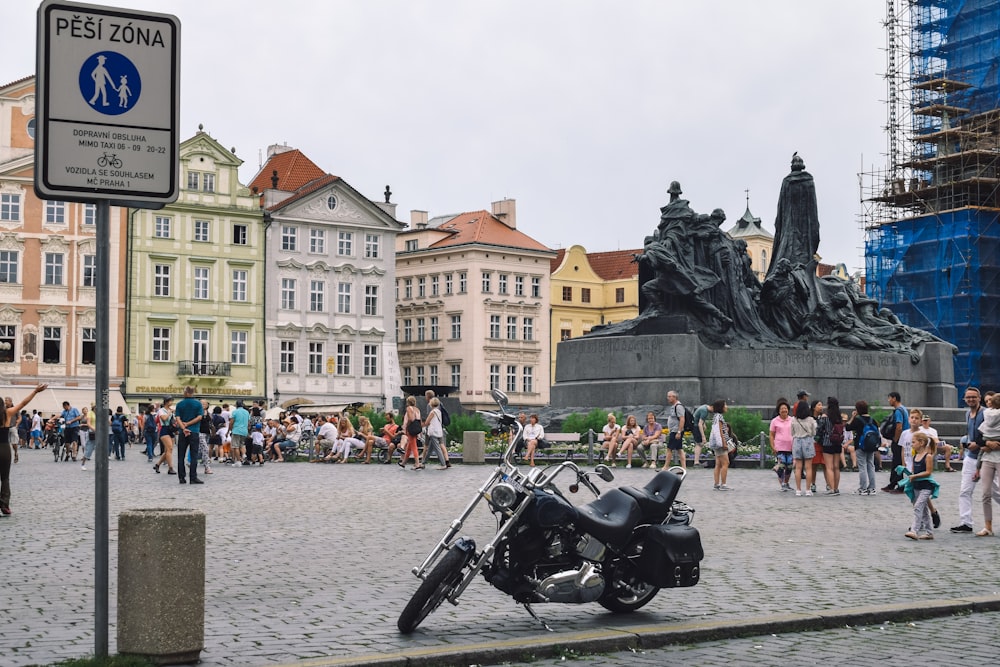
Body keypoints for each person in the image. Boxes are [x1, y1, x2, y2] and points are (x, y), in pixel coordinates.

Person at [1, 384, 46, 516]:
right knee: (5, 478)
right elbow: (23, 403)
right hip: (4, 448)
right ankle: (4, 505)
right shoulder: (7, 413)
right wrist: (35, 391)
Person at [951, 387, 991, 533]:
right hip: (971, 457)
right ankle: (966, 522)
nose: (971, 400)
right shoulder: (968, 413)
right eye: (968, 397)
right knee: (965, 491)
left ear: (979, 398)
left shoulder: (986, 413)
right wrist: (967, 442)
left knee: (995, 491)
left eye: (973, 397)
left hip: (987, 458)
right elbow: (971, 433)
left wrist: (979, 444)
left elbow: (991, 433)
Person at [904, 432, 937, 540]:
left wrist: (916, 476)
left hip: (926, 487)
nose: (912, 444)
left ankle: (914, 530)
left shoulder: (928, 457)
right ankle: (929, 532)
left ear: (921, 443)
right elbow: (913, 471)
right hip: (917, 486)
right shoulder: (915, 456)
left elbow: (928, 472)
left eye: (913, 442)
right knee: (924, 510)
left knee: (918, 507)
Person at [173, 387, 204, 484]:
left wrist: (183, 427)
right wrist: (189, 424)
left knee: (181, 456)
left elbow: (177, 418)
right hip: (194, 431)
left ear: (185, 392)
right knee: (194, 455)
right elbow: (199, 417)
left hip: (183, 433)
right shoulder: (198, 404)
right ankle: (193, 477)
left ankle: (181, 478)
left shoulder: (180, 404)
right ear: (193, 392)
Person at [848, 400, 878, 495]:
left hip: (860, 446)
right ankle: (872, 488)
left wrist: (853, 416)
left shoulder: (858, 420)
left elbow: (847, 427)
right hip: (871, 445)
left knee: (862, 467)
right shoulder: (872, 420)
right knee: (871, 465)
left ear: (857, 410)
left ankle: (863, 488)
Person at [882, 391, 909, 494]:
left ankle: (900, 486)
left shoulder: (898, 411)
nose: (889, 401)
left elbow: (899, 426)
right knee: (896, 463)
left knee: (897, 463)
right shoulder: (903, 409)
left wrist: (896, 439)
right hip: (903, 439)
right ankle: (892, 484)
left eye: (889, 398)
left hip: (900, 440)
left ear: (894, 398)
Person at [790, 400, 817, 496]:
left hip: (797, 441)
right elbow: (814, 432)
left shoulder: (794, 420)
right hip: (808, 441)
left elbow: (792, 433)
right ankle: (808, 490)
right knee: (808, 467)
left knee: (798, 467)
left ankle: (798, 490)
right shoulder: (810, 420)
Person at [820, 397, 844, 495]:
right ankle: (837, 488)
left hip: (827, 442)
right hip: (838, 443)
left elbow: (820, 429)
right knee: (836, 467)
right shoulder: (839, 417)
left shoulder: (825, 416)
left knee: (829, 467)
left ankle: (832, 488)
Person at [769, 400, 794, 491]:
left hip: (790, 447)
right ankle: (782, 483)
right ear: (778, 411)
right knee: (781, 466)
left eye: (785, 408)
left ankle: (786, 482)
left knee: (790, 467)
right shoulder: (775, 421)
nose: (784, 410)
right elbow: (771, 435)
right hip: (779, 447)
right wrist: (773, 446)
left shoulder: (792, 420)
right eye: (782, 408)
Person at [709, 399, 732, 490]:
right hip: (720, 444)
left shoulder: (716, 416)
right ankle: (723, 484)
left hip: (716, 444)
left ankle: (716, 483)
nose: (726, 407)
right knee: (725, 463)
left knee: (718, 464)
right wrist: (724, 443)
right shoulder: (719, 417)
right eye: (725, 405)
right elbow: (720, 431)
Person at [422, 398, 450, 470]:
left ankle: (443, 464)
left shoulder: (432, 412)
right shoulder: (439, 411)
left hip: (433, 432)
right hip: (439, 431)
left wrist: (427, 423)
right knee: (430, 449)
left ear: (431, 404)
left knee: (437, 449)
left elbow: (427, 422)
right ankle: (423, 462)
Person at [663, 391, 687, 470]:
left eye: (669, 396)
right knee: (679, 449)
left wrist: (679, 432)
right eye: (668, 396)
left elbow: (682, 419)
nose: (668, 398)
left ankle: (666, 467)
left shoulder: (678, 406)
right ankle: (684, 468)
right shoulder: (674, 406)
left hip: (676, 431)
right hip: (673, 430)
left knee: (669, 449)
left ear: (674, 397)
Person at [153, 397, 177, 475]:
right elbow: (164, 418)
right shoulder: (161, 410)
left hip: (170, 430)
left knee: (168, 450)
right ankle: (170, 468)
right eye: (170, 401)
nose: (172, 402)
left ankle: (157, 465)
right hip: (164, 429)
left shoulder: (171, 410)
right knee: (169, 448)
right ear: (166, 402)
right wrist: (169, 412)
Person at [400, 395, 423, 470]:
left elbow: (410, 419)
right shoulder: (417, 409)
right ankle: (404, 463)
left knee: (413, 446)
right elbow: (420, 420)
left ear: (408, 402)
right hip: (416, 428)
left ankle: (417, 463)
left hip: (411, 428)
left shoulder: (409, 408)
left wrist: (406, 426)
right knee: (409, 446)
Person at [229, 400, 250, 466]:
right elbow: (248, 423)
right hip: (244, 431)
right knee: (242, 445)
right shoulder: (247, 412)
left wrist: (230, 429)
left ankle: (238, 461)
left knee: (236, 446)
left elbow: (231, 422)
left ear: (236, 405)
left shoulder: (235, 412)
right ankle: (244, 454)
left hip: (236, 430)